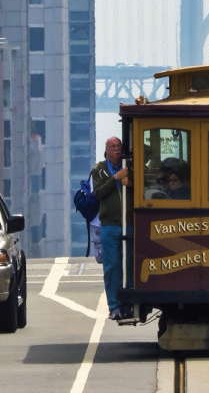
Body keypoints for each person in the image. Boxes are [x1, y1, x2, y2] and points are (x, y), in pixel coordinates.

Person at [92, 136, 134, 320]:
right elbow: (98, 193)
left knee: (130, 264)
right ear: (106, 150)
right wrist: (115, 178)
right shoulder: (99, 170)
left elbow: (144, 187)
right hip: (109, 225)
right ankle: (115, 306)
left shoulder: (130, 166)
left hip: (130, 223)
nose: (116, 149)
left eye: (118, 146)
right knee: (112, 267)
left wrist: (130, 183)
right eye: (112, 146)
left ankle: (130, 303)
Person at [88, 152, 105, 264]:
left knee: (100, 247)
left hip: (95, 220)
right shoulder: (98, 172)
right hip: (98, 219)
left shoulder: (95, 172)